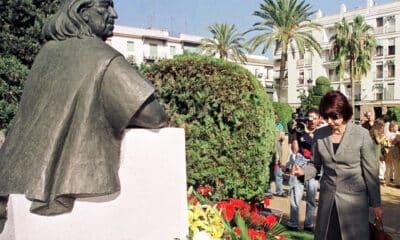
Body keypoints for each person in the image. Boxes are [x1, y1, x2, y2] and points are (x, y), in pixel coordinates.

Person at [0, 0, 168, 222]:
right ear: (82, 12)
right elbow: (154, 116)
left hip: (19, 178)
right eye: (105, 6)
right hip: (77, 189)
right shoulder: (103, 57)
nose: (113, 14)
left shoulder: (46, 54)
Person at [293, 91, 382, 239]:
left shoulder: (362, 135)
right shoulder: (320, 135)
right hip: (328, 202)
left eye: (334, 117)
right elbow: (315, 165)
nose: (329, 121)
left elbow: (371, 172)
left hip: (354, 204)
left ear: (344, 112)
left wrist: (376, 204)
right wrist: (303, 171)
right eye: (326, 117)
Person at [286, 109, 320, 232]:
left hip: (313, 164)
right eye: (309, 118)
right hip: (300, 161)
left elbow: (318, 145)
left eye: (314, 118)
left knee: (311, 197)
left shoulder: (320, 132)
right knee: (296, 195)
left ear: (318, 120)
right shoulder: (300, 129)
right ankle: (294, 223)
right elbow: (295, 150)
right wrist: (294, 132)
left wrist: (307, 132)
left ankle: (308, 224)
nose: (311, 121)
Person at [265, 114, 287, 198]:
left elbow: (282, 138)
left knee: (279, 174)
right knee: (268, 175)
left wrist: (283, 137)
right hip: (268, 155)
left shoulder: (280, 126)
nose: (275, 118)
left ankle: (280, 191)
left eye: (276, 117)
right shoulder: (266, 126)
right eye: (273, 116)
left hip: (277, 154)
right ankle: (268, 192)